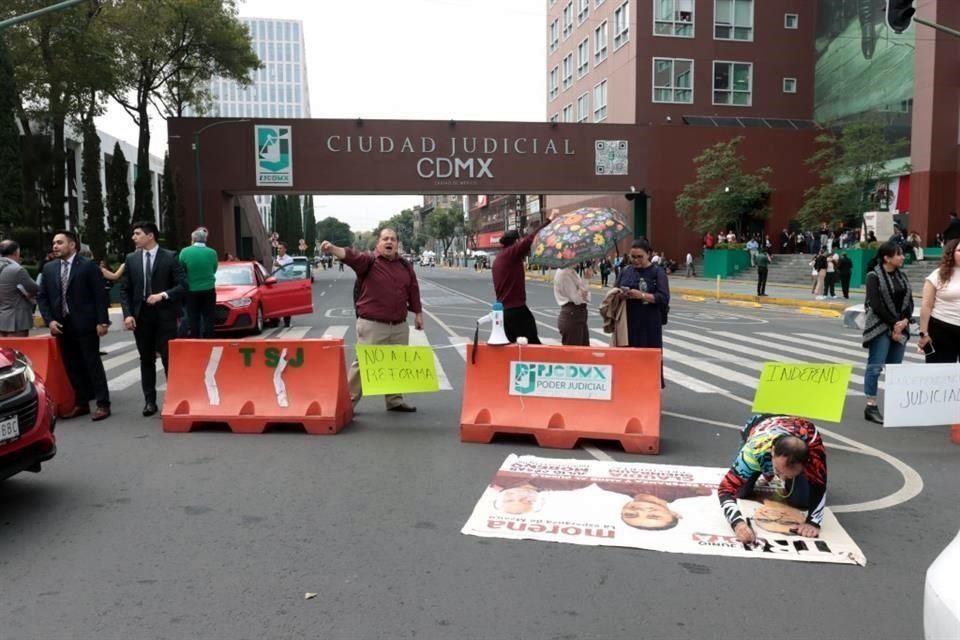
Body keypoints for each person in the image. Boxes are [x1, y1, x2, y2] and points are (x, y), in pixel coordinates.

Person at [320, 228, 422, 413]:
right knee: (363, 365)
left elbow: (413, 289)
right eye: (385, 239)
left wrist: (419, 313)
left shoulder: (405, 266)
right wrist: (333, 248)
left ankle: (394, 400)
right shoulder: (369, 261)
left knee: (396, 363)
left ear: (397, 243)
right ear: (378, 243)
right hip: (373, 325)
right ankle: (346, 403)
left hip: (399, 325)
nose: (389, 242)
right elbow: (351, 256)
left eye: (392, 239)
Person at [37, 230, 111, 421]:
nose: (55, 246)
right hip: (62, 325)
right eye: (54, 243)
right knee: (72, 366)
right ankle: (82, 402)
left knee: (92, 363)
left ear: (72, 245)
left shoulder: (88, 267)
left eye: (60, 242)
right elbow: (42, 296)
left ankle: (103, 404)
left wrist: (102, 321)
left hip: (85, 324)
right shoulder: (49, 268)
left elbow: (99, 295)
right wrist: (49, 320)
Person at [718, 414, 828, 544]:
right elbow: (725, 490)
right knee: (741, 492)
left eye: (788, 475)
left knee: (802, 502)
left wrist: (813, 522)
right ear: (773, 451)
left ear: (805, 464)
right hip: (758, 426)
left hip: (799, 431)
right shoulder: (754, 449)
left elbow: (820, 484)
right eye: (779, 472)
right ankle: (763, 469)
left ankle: (788, 475)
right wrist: (738, 524)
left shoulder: (814, 452)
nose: (779, 478)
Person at [119, 222, 185, 417]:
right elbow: (125, 289)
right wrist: (128, 314)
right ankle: (149, 401)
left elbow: (183, 285)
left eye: (137, 233)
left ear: (150, 236)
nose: (134, 237)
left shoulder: (170, 257)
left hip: (165, 315)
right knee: (146, 359)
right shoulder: (131, 259)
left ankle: (173, 398)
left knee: (168, 358)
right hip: (141, 317)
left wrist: (162, 295)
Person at [862, 241, 913, 425]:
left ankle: (894, 407)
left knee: (895, 369)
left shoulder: (903, 277)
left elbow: (909, 302)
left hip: (901, 327)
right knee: (875, 366)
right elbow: (875, 304)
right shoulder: (873, 276)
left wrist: (904, 321)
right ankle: (871, 406)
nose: (902, 257)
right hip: (880, 326)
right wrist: (894, 324)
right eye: (898, 254)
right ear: (887, 258)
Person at [615, 239, 669, 385]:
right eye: (633, 257)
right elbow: (615, 290)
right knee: (628, 357)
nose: (636, 260)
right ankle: (630, 388)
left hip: (649, 323)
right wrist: (621, 294)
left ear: (649, 255)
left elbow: (663, 297)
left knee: (648, 358)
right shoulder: (626, 271)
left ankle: (649, 389)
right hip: (628, 322)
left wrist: (642, 295)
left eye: (640, 257)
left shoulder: (657, 272)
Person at [492, 215, 552, 344]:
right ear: (515, 242)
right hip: (516, 310)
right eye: (519, 241)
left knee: (512, 348)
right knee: (533, 345)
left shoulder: (500, 257)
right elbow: (530, 239)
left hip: (505, 312)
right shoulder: (511, 254)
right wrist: (549, 221)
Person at [917, 238, 960, 364]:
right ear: (951, 253)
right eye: (959, 250)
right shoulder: (938, 275)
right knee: (940, 375)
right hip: (942, 329)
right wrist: (923, 333)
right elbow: (926, 306)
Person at [178, 227, 219, 339]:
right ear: (205, 240)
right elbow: (214, 269)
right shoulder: (212, 252)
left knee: (193, 317)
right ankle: (210, 339)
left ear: (192, 239)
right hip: (209, 289)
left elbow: (181, 269)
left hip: (192, 290)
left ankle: (196, 340)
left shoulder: (185, 252)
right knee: (209, 317)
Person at [0, 240, 39, 337]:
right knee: (17, 351)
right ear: (16, 252)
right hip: (16, 320)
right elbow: (35, 288)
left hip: (2, 318)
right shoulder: (16, 269)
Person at [553, 265, 591, 346]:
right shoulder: (565, 274)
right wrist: (586, 279)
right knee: (574, 354)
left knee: (584, 353)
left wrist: (585, 281)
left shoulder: (572, 272)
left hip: (578, 314)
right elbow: (577, 299)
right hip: (573, 315)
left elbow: (586, 297)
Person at [273, 242, 294, 327]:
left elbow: (288, 271)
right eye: (278, 248)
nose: (278, 250)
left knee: (286, 304)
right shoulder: (276, 259)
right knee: (276, 303)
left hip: (285, 284)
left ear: (285, 249)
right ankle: (275, 321)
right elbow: (273, 271)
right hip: (276, 284)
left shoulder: (289, 259)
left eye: (280, 248)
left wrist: (279, 265)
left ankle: (287, 322)